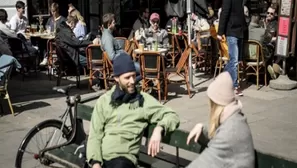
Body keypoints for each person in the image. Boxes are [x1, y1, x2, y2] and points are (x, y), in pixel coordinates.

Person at [87, 53, 180, 168]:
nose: (132, 81)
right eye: (127, 77)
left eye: (133, 76)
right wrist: (95, 163)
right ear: (116, 78)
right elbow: (95, 135)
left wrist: (159, 129)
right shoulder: (104, 101)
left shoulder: (143, 101)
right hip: (101, 159)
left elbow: (171, 115)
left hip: (123, 160)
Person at [186, 72, 255, 168]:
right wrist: (202, 127)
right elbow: (219, 129)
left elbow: (203, 163)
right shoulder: (235, 118)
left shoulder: (230, 131)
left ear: (215, 104)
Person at [217, 0, 247, 96]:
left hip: (237, 30)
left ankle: (222, 81)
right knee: (234, 60)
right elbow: (224, 12)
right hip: (233, 31)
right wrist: (220, 32)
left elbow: (226, 12)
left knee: (233, 61)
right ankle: (234, 86)